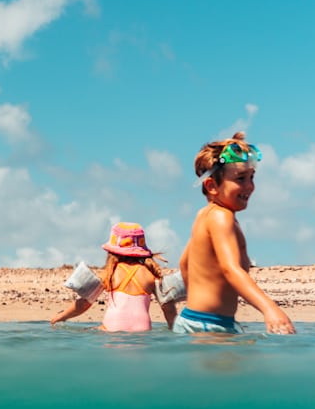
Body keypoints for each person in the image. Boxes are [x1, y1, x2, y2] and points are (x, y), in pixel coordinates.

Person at [174, 132, 295, 335]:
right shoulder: (222, 218)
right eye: (240, 179)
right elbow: (231, 270)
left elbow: (184, 264)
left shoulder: (204, 215)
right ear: (212, 186)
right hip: (209, 325)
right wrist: (270, 309)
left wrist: (197, 302)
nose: (249, 186)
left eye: (251, 177)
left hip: (192, 320)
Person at [50, 223, 178, 331]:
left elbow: (84, 304)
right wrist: (174, 329)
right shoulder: (149, 274)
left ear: (112, 251)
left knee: (90, 330)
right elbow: (168, 308)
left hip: (112, 328)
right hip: (142, 330)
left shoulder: (110, 273)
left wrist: (61, 317)